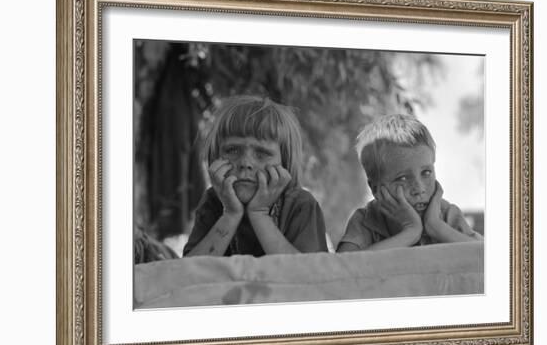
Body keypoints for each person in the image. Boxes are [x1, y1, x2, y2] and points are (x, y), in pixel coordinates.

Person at [183, 95, 328, 257]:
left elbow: (308, 275)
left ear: (285, 164)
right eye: (232, 150)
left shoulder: (301, 205)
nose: (245, 163)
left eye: (262, 153)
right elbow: (189, 272)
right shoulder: (213, 201)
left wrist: (259, 213)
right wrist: (230, 214)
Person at [337, 114, 483, 252]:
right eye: (403, 178)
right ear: (375, 189)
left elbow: (491, 260)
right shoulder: (365, 221)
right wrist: (410, 232)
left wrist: (437, 228)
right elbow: (342, 268)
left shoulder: (448, 215)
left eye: (426, 173)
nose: (419, 189)